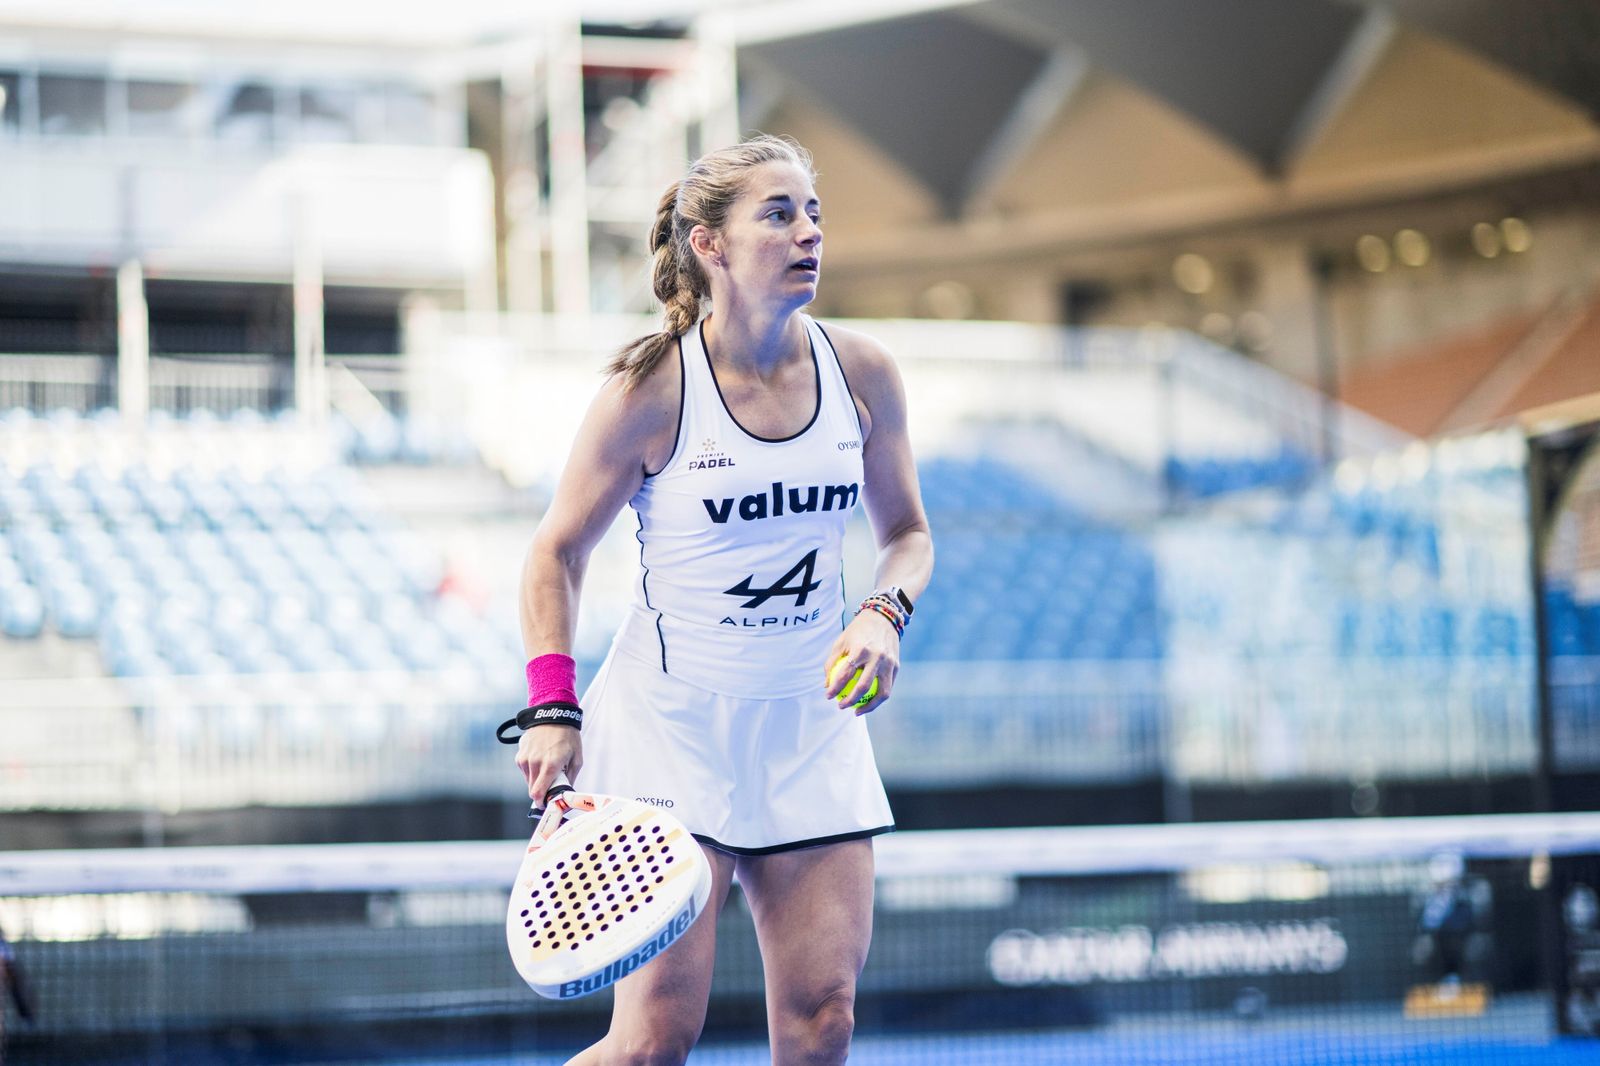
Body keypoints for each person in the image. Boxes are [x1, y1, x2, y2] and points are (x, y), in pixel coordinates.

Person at [511, 134, 933, 1066]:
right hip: (671, 726)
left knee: (824, 1021)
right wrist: (551, 704)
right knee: (655, 1038)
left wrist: (883, 612)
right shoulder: (650, 390)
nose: (808, 232)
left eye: (814, 213)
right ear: (709, 244)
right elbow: (555, 551)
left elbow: (907, 535)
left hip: (807, 725)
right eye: (779, 213)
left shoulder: (863, 374)